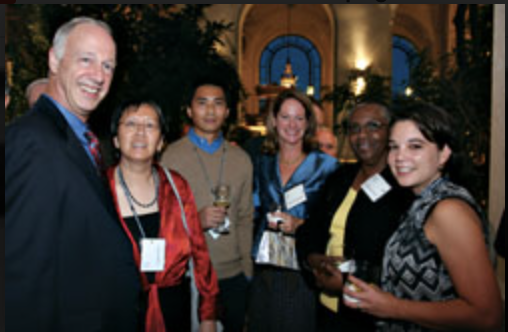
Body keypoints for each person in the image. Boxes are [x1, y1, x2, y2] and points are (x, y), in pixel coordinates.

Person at [5, 17, 140, 331]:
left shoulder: (79, 139)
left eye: (108, 66)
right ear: (54, 59)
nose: (98, 75)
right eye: (86, 60)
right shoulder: (33, 143)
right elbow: (23, 281)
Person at [344, 103, 503, 332]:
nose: (400, 157)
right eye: (393, 147)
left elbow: (487, 316)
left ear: (444, 153)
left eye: (415, 146)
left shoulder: (448, 210)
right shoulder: (421, 200)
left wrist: (392, 307)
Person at [296, 103, 413, 331]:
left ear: (390, 131)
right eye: (354, 128)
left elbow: (403, 263)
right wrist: (314, 259)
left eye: (372, 126)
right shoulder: (340, 177)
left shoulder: (403, 188)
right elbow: (311, 228)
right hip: (327, 308)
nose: (362, 136)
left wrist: (347, 279)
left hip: (371, 316)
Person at [108, 100, 219, 332]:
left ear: (160, 142)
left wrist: (208, 315)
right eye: (130, 123)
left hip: (174, 311)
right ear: (116, 139)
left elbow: (200, 254)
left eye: (150, 125)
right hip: (117, 312)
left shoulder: (176, 186)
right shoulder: (98, 190)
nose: (140, 132)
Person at [161, 78, 253, 332]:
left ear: (227, 111)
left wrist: (247, 271)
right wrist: (195, 221)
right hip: (189, 276)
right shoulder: (171, 157)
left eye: (218, 104)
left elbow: (245, 218)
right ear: (190, 110)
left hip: (232, 276)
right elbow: (162, 221)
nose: (210, 111)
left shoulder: (241, 159)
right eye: (202, 103)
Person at [249, 89, 339, 332]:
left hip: (302, 268)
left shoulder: (327, 166)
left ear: (308, 123)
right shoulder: (263, 162)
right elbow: (255, 210)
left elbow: (336, 221)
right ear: (274, 121)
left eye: (299, 118)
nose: (292, 125)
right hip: (265, 265)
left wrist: (300, 225)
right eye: (286, 117)